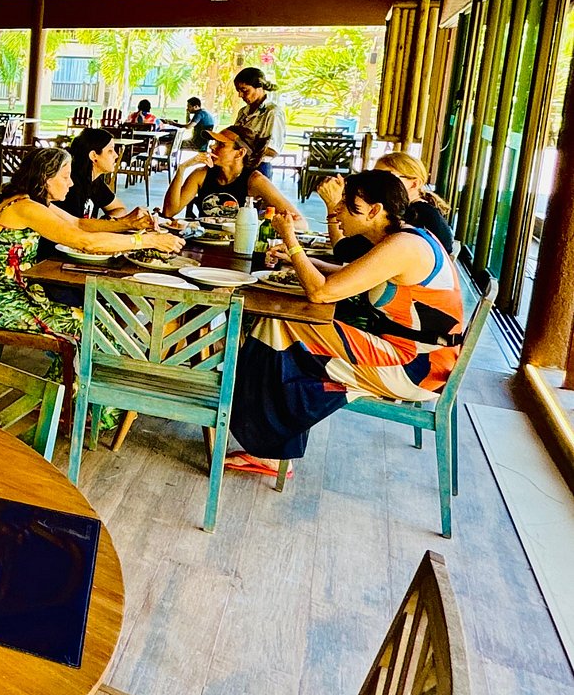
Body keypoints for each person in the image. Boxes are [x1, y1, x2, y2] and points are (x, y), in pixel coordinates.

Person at [226, 170, 466, 477]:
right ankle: (270, 443)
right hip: (412, 353)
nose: (337, 211)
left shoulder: (404, 247)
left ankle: (266, 444)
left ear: (375, 211)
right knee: (277, 329)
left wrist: (291, 240)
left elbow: (321, 293)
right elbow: (348, 275)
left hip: (416, 367)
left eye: (347, 205)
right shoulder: (403, 238)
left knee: (278, 332)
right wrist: (298, 260)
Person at [0, 149, 184, 378]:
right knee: (95, 326)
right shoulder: (26, 208)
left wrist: (126, 224)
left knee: (99, 316)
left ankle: (66, 388)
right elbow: (85, 242)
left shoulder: (28, 200)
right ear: (45, 178)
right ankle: (79, 392)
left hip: (16, 293)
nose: (71, 183)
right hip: (4, 304)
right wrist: (146, 241)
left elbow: (77, 224)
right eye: (65, 176)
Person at [316, 151, 455, 263]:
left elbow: (344, 252)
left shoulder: (414, 217)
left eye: (387, 177)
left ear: (414, 184)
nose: (374, 183)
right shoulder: (418, 209)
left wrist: (333, 203)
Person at [162, 125, 304, 225]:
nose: (212, 146)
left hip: (239, 245)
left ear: (240, 153)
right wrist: (181, 169)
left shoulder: (255, 180)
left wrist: (263, 222)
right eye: (214, 142)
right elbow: (169, 212)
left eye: (221, 144)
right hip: (203, 243)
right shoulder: (201, 175)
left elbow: (300, 223)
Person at [230, 67, 282, 175]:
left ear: (259, 87)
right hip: (238, 165)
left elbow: (273, 150)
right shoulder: (243, 112)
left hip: (259, 168)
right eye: (238, 91)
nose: (240, 95)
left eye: (244, 90)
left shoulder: (272, 113)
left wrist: (245, 147)